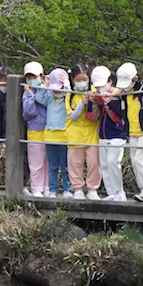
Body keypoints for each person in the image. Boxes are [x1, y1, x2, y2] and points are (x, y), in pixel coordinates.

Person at [115, 62, 143, 202]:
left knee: (141, 161)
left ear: (136, 78)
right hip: (132, 131)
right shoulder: (125, 93)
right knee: (135, 162)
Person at [87, 65, 128, 201]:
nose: (99, 89)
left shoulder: (119, 95)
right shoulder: (97, 93)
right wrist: (93, 102)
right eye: (97, 86)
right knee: (104, 164)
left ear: (110, 81)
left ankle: (119, 192)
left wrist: (107, 102)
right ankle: (111, 193)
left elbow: (117, 118)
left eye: (101, 85)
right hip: (103, 134)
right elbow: (93, 116)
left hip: (117, 135)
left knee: (113, 162)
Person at [35, 68, 72, 198]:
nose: (57, 91)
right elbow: (39, 97)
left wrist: (67, 84)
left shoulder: (66, 100)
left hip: (63, 137)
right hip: (49, 136)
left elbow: (69, 94)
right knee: (52, 166)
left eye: (59, 88)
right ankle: (52, 189)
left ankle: (68, 189)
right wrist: (45, 85)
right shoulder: (50, 99)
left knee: (65, 166)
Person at [67, 63, 101, 200]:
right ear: (73, 80)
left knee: (93, 163)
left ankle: (93, 189)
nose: (82, 82)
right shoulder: (69, 95)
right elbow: (73, 116)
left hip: (92, 133)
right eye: (78, 80)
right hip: (75, 134)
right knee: (76, 163)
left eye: (84, 79)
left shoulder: (95, 91)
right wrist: (82, 104)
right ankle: (78, 188)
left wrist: (94, 101)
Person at [22, 61, 49, 198]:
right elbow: (28, 113)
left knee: (48, 161)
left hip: (49, 130)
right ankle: (36, 188)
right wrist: (31, 96)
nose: (32, 80)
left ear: (41, 76)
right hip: (34, 131)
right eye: (29, 77)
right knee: (36, 162)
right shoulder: (27, 94)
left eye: (34, 76)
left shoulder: (48, 90)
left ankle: (47, 187)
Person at [0, 66, 14, 148]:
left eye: (5, 80)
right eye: (0, 80)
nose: (3, 83)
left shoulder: (20, 92)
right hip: (6, 133)